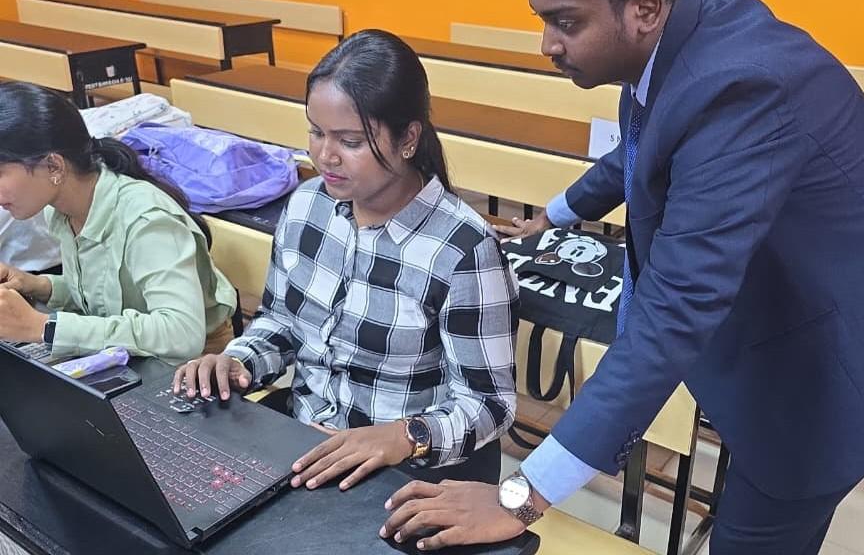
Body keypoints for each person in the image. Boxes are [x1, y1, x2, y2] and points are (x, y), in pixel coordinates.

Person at [381, 0, 864, 554]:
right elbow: (639, 151)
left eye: (565, 22)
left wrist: (521, 496)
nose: (547, 45)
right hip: (788, 315)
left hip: (839, 356)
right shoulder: (680, 35)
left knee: (756, 529)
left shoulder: (741, 89)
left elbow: (676, 309)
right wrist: (552, 216)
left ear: (645, 7)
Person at [174, 29, 519, 491]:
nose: (325, 156)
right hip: (304, 444)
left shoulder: (462, 249)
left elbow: (489, 405)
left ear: (408, 139)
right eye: (316, 132)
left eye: (350, 141)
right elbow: (281, 321)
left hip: (404, 474)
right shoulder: (307, 205)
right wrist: (238, 362)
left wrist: (403, 437)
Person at [0, 82, 237, 363]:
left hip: (195, 364)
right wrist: (38, 285)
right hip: (133, 357)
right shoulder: (61, 210)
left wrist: (43, 327)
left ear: (54, 166)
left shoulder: (146, 220)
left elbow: (181, 334)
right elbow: (104, 299)